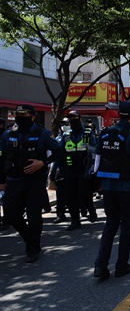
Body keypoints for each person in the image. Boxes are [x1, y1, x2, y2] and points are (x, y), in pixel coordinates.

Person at [93, 101, 130, 279]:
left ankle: (100, 266)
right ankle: (121, 265)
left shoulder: (104, 134)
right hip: (128, 188)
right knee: (126, 226)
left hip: (108, 188)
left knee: (110, 224)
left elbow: (97, 164)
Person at [0, 105, 62, 262]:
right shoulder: (8, 135)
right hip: (13, 180)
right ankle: (29, 238)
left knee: (34, 216)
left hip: (34, 181)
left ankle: (32, 249)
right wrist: (1, 181)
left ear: (33, 117)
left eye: (25, 114)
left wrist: (43, 162)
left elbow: (59, 152)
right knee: (11, 215)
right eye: (18, 114)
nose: (21, 117)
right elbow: (2, 158)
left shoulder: (43, 134)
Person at [59, 110, 97, 231]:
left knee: (84, 192)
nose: (72, 121)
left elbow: (94, 151)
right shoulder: (67, 135)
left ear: (80, 119)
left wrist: (92, 169)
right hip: (70, 169)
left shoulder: (87, 133)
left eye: (75, 118)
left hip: (84, 169)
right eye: (70, 119)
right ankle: (75, 220)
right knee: (70, 196)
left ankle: (91, 210)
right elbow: (61, 153)